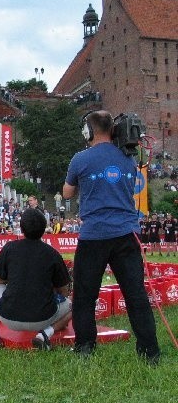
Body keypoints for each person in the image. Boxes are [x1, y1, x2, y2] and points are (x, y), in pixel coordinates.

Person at [63, 110, 160, 364]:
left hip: (94, 235)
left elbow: (67, 193)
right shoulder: (128, 160)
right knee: (136, 294)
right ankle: (150, 351)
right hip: (127, 234)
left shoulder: (80, 159)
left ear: (89, 131)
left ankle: (85, 345)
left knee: (85, 295)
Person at [0, 208, 72, 350]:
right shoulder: (52, 253)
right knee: (74, 305)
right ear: (44, 229)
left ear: (22, 228)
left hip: (9, 317)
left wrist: (14, 279)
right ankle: (45, 334)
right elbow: (64, 291)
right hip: (43, 318)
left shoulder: (9, 248)